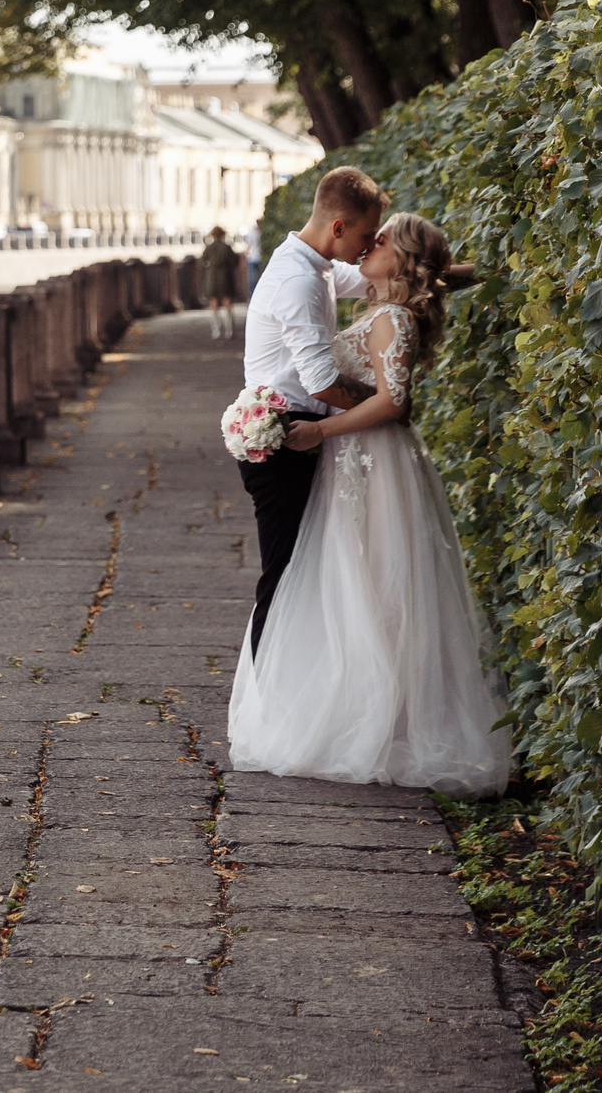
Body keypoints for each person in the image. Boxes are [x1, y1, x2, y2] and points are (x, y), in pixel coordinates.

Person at [226, 211, 513, 794]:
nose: (367, 246)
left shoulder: (391, 320)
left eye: (380, 241)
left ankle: (381, 722)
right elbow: (418, 278)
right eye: (368, 234)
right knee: (352, 580)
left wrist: (319, 432)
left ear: (400, 259)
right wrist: (471, 270)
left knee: (378, 581)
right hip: (356, 461)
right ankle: (355, 709)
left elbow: (393, 405)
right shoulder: (367, 298)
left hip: (370, 459)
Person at [234, 166, 382, 658]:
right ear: (338, 227)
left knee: (304, 574)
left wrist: (459, 272)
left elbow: (371, 279)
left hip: (302, 432)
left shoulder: (314, 263)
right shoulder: (298, 278)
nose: (370, 245)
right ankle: (268, 708)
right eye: (365, 235)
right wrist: (387, 402)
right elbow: (321, 382)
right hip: (284, 441)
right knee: (284, 576)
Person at [199, 225, 243, 339]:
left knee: (213, 303)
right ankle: (229, 330)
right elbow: (235, 261)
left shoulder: (209, 247)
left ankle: (216, 331)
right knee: (227, 303)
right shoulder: (227, 247)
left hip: (212, 277)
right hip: (225, 277)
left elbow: (203, 261)